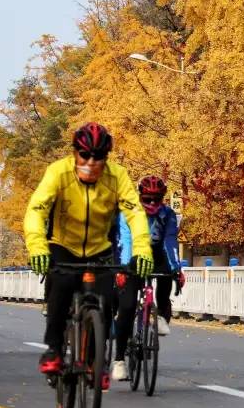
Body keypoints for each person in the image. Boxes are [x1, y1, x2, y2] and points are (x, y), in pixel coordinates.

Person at [23, 122, 152, 376]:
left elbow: (135, 213)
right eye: (85, 155)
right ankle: (54, 350)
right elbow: (36, 210)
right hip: (63, 246)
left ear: (107, 158)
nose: (91, 162)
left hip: (99, 248)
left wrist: (142, 250)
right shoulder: (57, 173)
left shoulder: (117, 176)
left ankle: (96, 358)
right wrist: (37, 247)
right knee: (59, 294)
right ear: (75, 153)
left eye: (99, 157)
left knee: (105, 305)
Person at [112, 175, 183, 380]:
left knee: (167, 273)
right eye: (148, 199)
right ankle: (119, 361)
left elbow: (170, 242)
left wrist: (176, 269)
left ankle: (160, 313)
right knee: (126, 307)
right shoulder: (128, 212)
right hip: (132, 255)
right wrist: (123, 269)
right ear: (140, 196)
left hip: (157, 253)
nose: (152, 203)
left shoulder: (168, 214)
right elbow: (124, 241)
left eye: (157, 199)